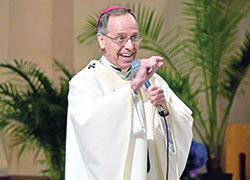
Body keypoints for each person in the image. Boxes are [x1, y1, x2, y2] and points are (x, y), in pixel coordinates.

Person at [65, 6, 193, 180]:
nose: (130, 46)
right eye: (121, 38)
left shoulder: (153, 80)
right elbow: (92, 128)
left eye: (134, 37)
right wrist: (133, 88)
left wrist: (165, 108)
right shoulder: (85, 83)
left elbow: (183, 123)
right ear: (101, 40)